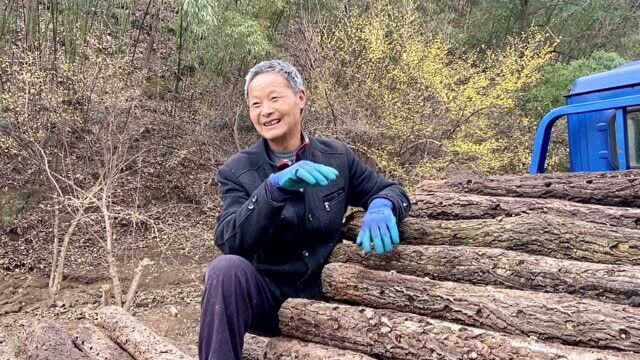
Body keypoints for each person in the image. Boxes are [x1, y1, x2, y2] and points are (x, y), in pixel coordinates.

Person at [198, 60, 411, 360]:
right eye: (255, 104)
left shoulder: (336, 157)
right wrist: (272, 190)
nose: (266, 110)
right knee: (225, 270)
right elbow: (230, 240)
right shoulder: (237, 171)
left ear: (301, 98)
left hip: (329, 298)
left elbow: (391, 189)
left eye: (274, 98)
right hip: (268, 300)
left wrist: (383, 204)